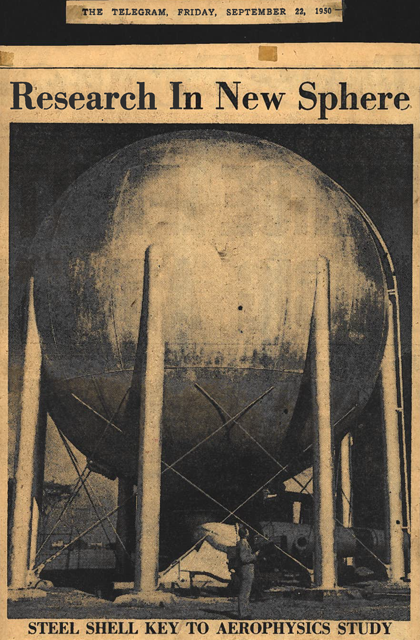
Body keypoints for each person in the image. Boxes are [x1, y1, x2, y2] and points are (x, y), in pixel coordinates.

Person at [236, 526, 259, 619]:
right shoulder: (243, 544)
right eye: (248, 532)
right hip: (246, 570)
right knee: (244, 592)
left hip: (246, 570)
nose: (249, 533)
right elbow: (244, 558)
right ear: (245, 534)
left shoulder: (242, 543)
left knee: (246, 592)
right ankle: (242, 614)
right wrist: (255, 556)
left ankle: (244, 612)